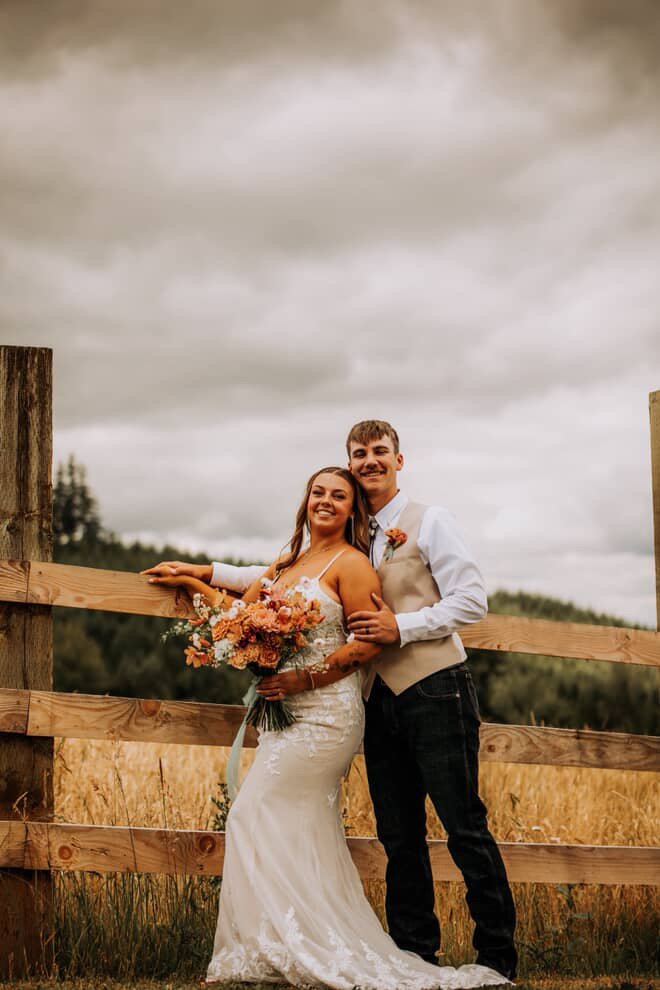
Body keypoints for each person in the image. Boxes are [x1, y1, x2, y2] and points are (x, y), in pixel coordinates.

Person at [144, 466, 509, 989]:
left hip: (328, 712)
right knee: (289, 824)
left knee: (257, 812)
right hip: (289, 714)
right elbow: (247, 604)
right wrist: (192, 576)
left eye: (339, 495)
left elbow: (369, 644)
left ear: (352, 508)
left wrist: (303, 678)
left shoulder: (356, 564)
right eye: (319, 492)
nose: (327, 501)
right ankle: (275, 946)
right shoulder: (292, 560)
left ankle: (488, 954)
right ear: (306, 499)